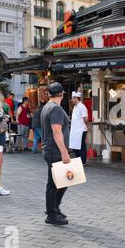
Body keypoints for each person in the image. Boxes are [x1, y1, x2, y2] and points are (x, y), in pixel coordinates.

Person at [41, 82, 70, 225]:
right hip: (55, 150)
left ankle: (54, 209)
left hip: (50, 149)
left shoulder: (47, 106)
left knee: (60, 181)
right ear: (62, 94)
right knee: (57, 182)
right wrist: (64, 152)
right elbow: (57, 132)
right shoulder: (56, 109)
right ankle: (52, 213)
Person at [69, 91, 88, 165]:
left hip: (81, 130)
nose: (71, 100)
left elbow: (85, 118)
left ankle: (83, 161)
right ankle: (78, 159)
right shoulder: (75, 107)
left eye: (73, 98)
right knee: (74, 145)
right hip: (74, 130)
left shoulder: (82, 106)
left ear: (76, 98)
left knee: (81, 146)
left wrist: (85, 125)